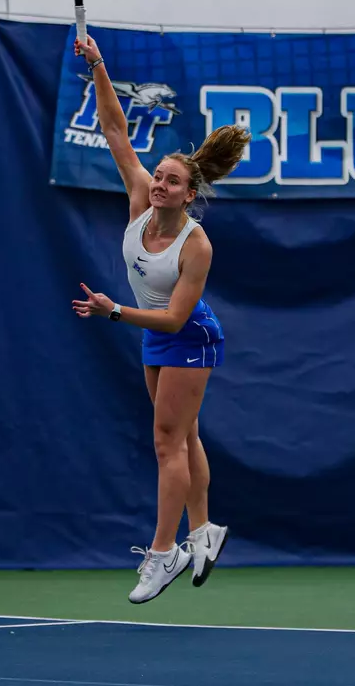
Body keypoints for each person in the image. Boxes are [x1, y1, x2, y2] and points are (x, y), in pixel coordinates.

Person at [71, 32, 250, 604]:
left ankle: (162, 552)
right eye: (157, 178)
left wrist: (113, 310)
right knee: (184, 434)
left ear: (188, 194)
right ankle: (204, 530)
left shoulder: (196, 246)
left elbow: (173, 320)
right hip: (154, 330)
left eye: (170, 181)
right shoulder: (138, 201)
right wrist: (98, 64)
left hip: (186, 333)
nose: (158, 184)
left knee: (167, 443)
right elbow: (116, 130)